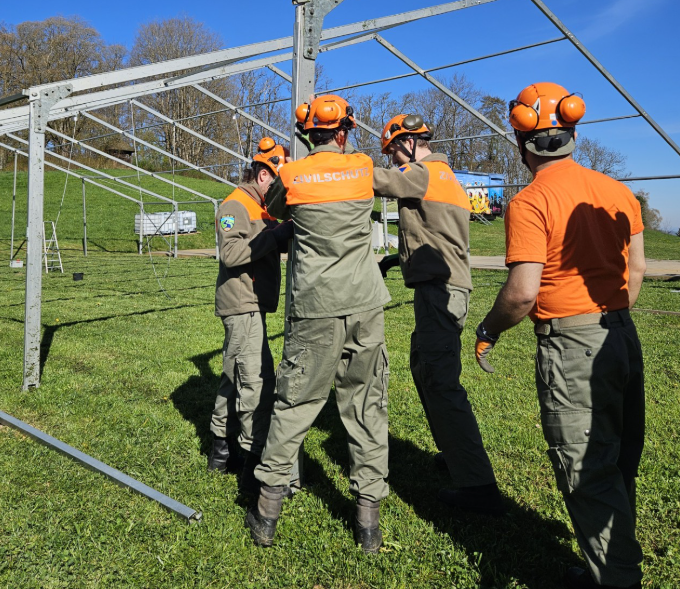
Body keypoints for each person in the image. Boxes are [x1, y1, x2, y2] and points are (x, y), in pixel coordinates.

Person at [474, 82, 646, 589]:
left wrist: (487, 329)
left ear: (521, 142)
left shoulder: (529, 201)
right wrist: (606, 316)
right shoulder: (617, 192)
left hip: (572, 346)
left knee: (588, 471)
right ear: (574, 131)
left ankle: (618, 578)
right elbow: (634, 272)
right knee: (617, 461)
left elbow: (523, 293)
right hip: (621, 335)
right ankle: (609, 565)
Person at [245, 95, 391, 553]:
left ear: (308, 135)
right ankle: (368, 520)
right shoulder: (364, 169)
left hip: (315, 307)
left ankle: (267, 511)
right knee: (366, 404)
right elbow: (400, 186)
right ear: (345, 131)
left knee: (294, 404)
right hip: (366, 304)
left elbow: (272, 211)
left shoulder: (291, 176)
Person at [372, 114, 503, 515]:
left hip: (440, 294)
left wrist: (336, 164)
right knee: (424, 368)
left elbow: (378, 181)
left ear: (410, 143)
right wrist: (398, 258)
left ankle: (478, 486)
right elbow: (437, 236)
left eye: (394, 150)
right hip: (446, 288)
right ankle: (455, 452)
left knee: (440, 381)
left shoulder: (420, 172)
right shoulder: (447, 177)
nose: (393, 159)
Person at [208, 138, 294, 496]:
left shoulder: (260, 207)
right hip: (240, 304)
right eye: (275, 182)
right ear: (262, 174)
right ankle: (249, 455)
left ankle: (219, 448)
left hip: (252, 303)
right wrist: (274, 238)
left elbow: (271, 239)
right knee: (254, 380)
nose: (277, 191)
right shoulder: (235, 204)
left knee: (234, 374)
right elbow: (231, 253)